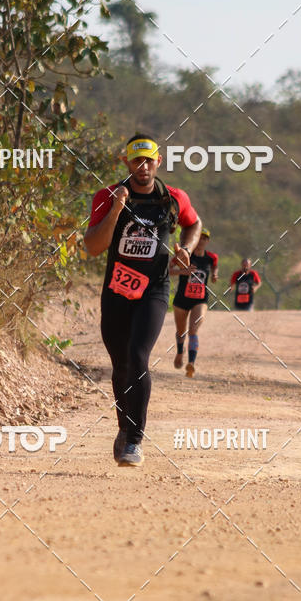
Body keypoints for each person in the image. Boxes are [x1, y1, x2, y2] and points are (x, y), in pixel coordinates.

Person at [84, 134, 202, 467]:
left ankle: (135, 440)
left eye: (149, 160)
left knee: (138, 356)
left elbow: (195, 224)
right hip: (117, 290)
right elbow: (93, 246)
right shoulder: (107, 196)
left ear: (158, 162)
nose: (144, 167)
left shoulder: (173, 198)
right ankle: (125, 430)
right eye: (137, 161)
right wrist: (117, 208)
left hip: (154, 290)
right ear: (127, 163)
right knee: (120, 364)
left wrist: (186, 250)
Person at [170, 228, 218, 378]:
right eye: (200, 238)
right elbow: (168, 270)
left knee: (193, 330)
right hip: (182, 299)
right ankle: (179, 352)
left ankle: (191, 363)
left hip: (200, 299)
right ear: (195, 239)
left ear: (207, 241)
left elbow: (215, 267)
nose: (202, 241)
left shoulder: (211, 258)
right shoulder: (185, 255)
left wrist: (215, 275)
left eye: (205, 239)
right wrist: (181, 272)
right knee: (181, 332)